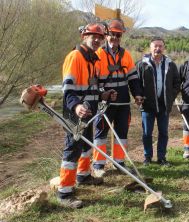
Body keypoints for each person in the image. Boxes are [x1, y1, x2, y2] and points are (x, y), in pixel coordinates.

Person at [58, 23, 116, 208]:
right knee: (72, 148)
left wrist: (104, 95)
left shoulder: (94, 60)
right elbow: (68, 89)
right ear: (85, 36)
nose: (97, 40)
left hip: (90, 111)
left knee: (86, 145)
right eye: (93, 36)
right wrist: (75, 107)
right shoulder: (75, 57)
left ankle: (83, 176)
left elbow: (93, 88)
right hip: (75, 113)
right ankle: (65, 192)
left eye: (99, 37)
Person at [92, 19, 143, 177]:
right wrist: (102, 94)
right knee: (100, 133)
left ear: (121, 36)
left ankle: (119, 163)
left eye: (118, 35)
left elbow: (133, 78)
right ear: (106, 35)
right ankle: (98, 165)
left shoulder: (126, 55)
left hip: (123, 102)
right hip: (104, 103)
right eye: (112, 35)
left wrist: (137, 94)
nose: (115, 38)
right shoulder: (98, 54)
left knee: (122, 133)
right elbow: (93, 81)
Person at [136, 37, 181, 166]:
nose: (158, 48)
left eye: (160, 46)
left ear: (163, 48)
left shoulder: (170, 64)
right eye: (155, 46)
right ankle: (147, 157)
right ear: (150, 48)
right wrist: (139, 95)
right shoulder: (141, 64)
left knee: (164, 133)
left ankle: (161, 158)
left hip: (164, 105)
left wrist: (171, 97)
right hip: (147, 105)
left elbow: (177, 83)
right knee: (146, 133)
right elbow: (136, 83)